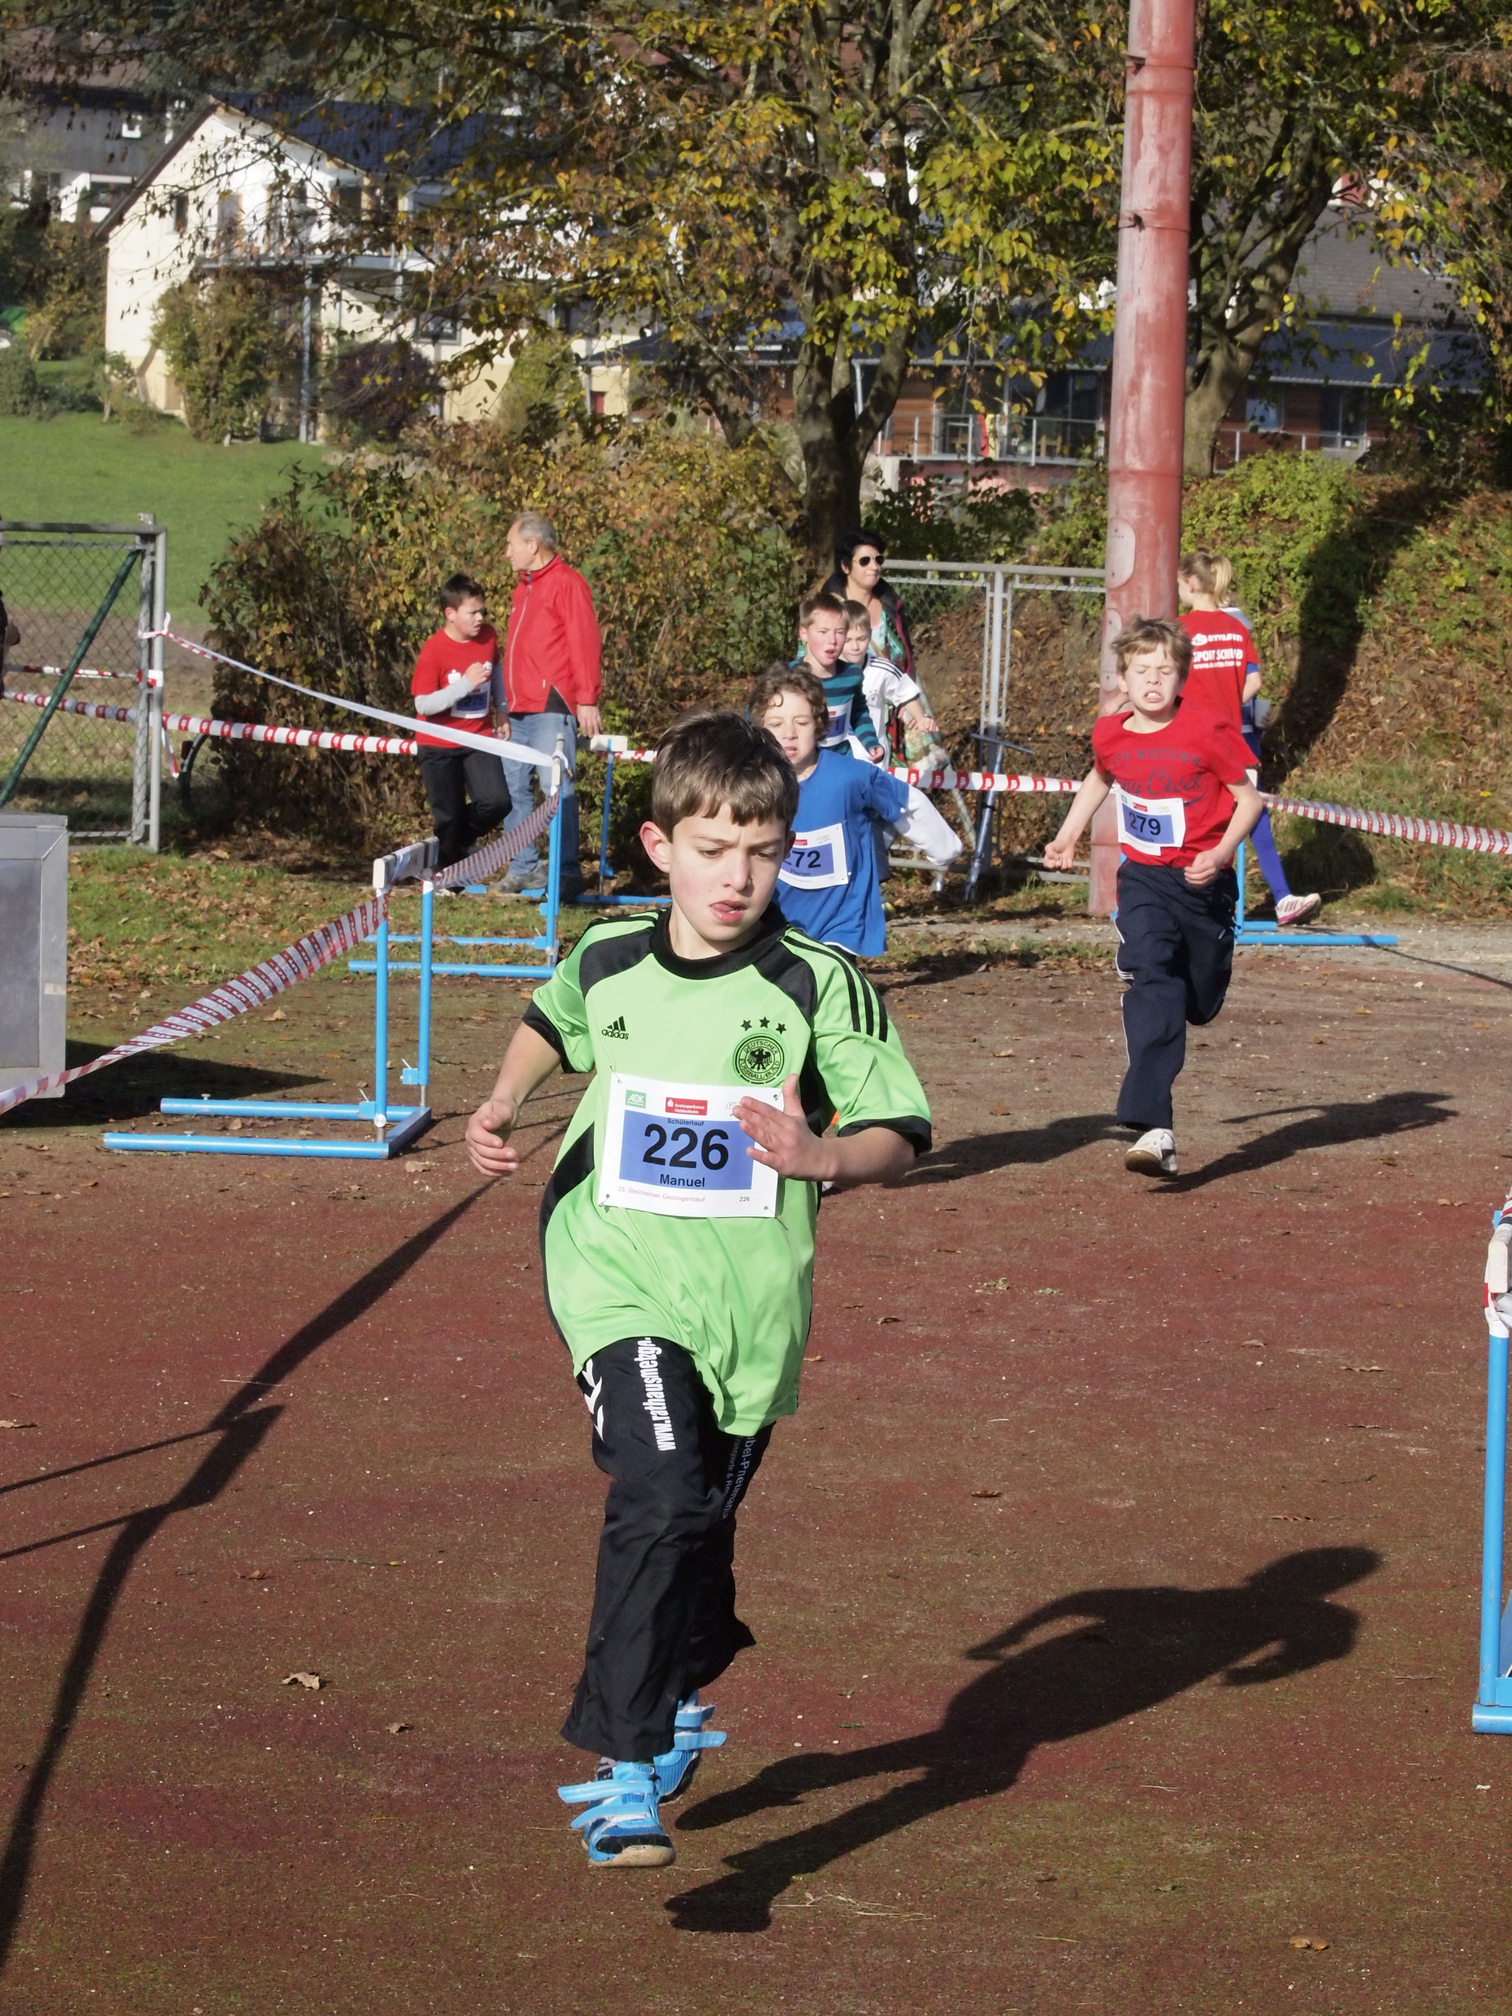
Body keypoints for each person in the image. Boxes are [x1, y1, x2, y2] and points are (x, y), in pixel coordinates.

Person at [462, 708, 931, 1869]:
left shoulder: (818, 984)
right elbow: (554, 1018)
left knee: (696, 1521)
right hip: (612, 1268)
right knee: (662, 1490)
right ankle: (626, 1771)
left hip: (750, 1307)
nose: (738, 878)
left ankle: (679, 1671)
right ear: (660, 846)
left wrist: (826, 1156)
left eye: (763, 853)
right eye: (714, 851)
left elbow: (901, 1129)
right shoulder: (609, 955)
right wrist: (503, 1100)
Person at [1043, 617, 1263, 1179]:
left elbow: (1250, 800)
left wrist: (1221, 853)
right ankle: (1153, 1125)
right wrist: (1068, 836)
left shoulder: (1207, 728)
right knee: (1151, 975)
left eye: (1165, 671)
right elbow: (1100, 778)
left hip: (1203, 884)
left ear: (1181, 678)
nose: (1153, 681)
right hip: (1143, 878)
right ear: (1122, 678)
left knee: (1198, 1000)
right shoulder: (1110, 733)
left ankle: (1193, 991)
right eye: (1142, 670)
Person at [1178, 550, 1321, 928]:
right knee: (1251, 811)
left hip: (1193, 738)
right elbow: (1254, 681)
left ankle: (1194, 897)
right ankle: (1282, 896)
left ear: (1191, 583)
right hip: (1236, 736)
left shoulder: (1179, 629)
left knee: (1199, 815)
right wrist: (1228, 705)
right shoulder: (1237, 625)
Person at [750, 665, 913, 956]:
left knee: (827, 973)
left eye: (801, 722)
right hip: (776, 920)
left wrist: (942, 845)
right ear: (760, 728)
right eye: (776, 724)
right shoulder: (748, 784)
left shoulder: (850, 776)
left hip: (841, 924)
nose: (789, 733)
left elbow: (907, 803)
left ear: (818, 725)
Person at [494, 512, 603, 900]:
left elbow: (584, 640)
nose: (507, 553)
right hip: (516, 709)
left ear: (532, 545)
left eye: (511, 545)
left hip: (550, 706)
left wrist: (586, 698)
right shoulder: (520, 590)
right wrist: (502, 705)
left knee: (556, 788)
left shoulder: (568, 583)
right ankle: (524, 867)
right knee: (513, 791)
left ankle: (566, 872)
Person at [409, 572, 511, 878]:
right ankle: (447, 878)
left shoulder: (488, 637)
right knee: (449, 817)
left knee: (497, 802)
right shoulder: (434, 649)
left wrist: (502, 710)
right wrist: (464, 685)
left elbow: (496, 673)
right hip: (438, 744)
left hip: (477, 738)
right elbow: (423, 704)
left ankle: (453, 844)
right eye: (472, 613)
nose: (480, 618)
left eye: (482, 611)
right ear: (450, 614)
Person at [824, 528, 912, 673]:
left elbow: (907, 656)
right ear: (845, 566)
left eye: (878, 560)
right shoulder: (827, 610)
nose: (874, 567)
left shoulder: (891, 606)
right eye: (864, 561)